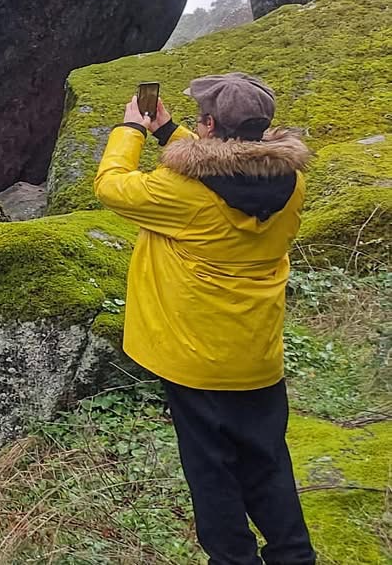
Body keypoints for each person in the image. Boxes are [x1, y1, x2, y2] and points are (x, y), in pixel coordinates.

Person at [95, 73, 316, 565]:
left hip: (197, 362)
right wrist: (171, 132)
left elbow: (111, 186)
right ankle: (294, 556)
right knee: (268, 462)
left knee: (212, 472)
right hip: (257, 357)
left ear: (212, 124)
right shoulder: (291, 181)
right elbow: (228, 167)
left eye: (200, 120)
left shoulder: (181, 192)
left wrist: (131, 130)